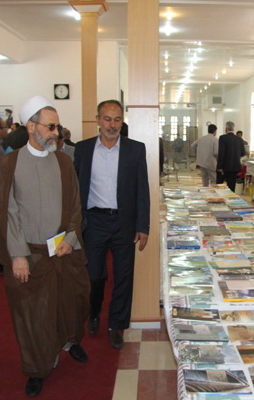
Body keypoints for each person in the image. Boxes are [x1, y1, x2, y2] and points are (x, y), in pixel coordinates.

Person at [0, 95, 90, 397]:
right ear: (31, 126)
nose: (56, 133)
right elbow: (6, 213)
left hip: (64, 253)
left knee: (72, 303)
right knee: (32, 316)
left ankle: (70, 342)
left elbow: (75, 205)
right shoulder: (9, 164)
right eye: (50, 127)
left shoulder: (63, 161)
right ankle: (37, 368)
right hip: (30, 257)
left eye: (57, 127)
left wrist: (70, 239)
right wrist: (18, 255)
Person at [73, 100, 150, 350]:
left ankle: (116, 325)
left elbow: (142, 189)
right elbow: (75, 189)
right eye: (107, 119)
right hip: (94, 222)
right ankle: (94, 311)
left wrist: (143, 225)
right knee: (94, 275)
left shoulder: (135, 149)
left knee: (124, 276)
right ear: (98, 120)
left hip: (124, 222)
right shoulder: (83, 149)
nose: (112, 125)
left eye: (117, 119)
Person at [217, 121, 246, 192]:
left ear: (226, 129)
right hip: (235, 166)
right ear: (233, 129)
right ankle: (231, 197)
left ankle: (221, 197)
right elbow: (243, 153)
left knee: (219, 185)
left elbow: (221, 153)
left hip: (225, 166)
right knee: (232, 186)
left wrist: (219, 166)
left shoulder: (222, 138)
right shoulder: (239, 139)